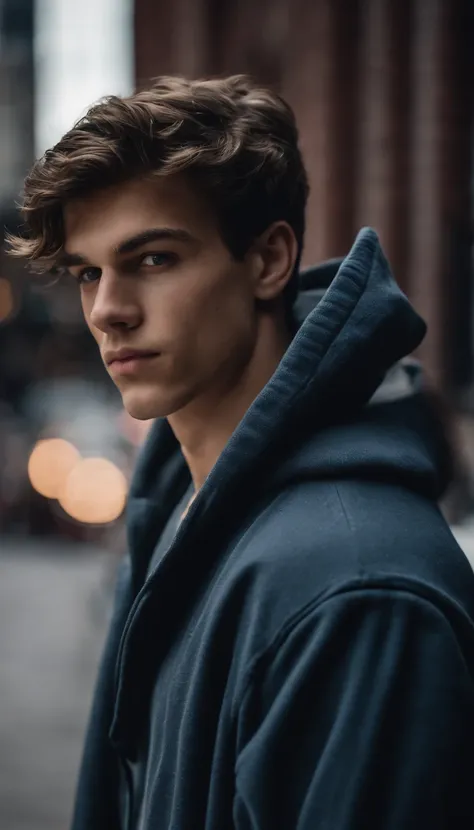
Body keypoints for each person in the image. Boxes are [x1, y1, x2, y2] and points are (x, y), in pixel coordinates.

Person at [8, 75, 474, 830]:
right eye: (89, 272)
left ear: (268, 260)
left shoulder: (357, 589)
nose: (107, 311)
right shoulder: (182, 513)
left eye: (153, 259)